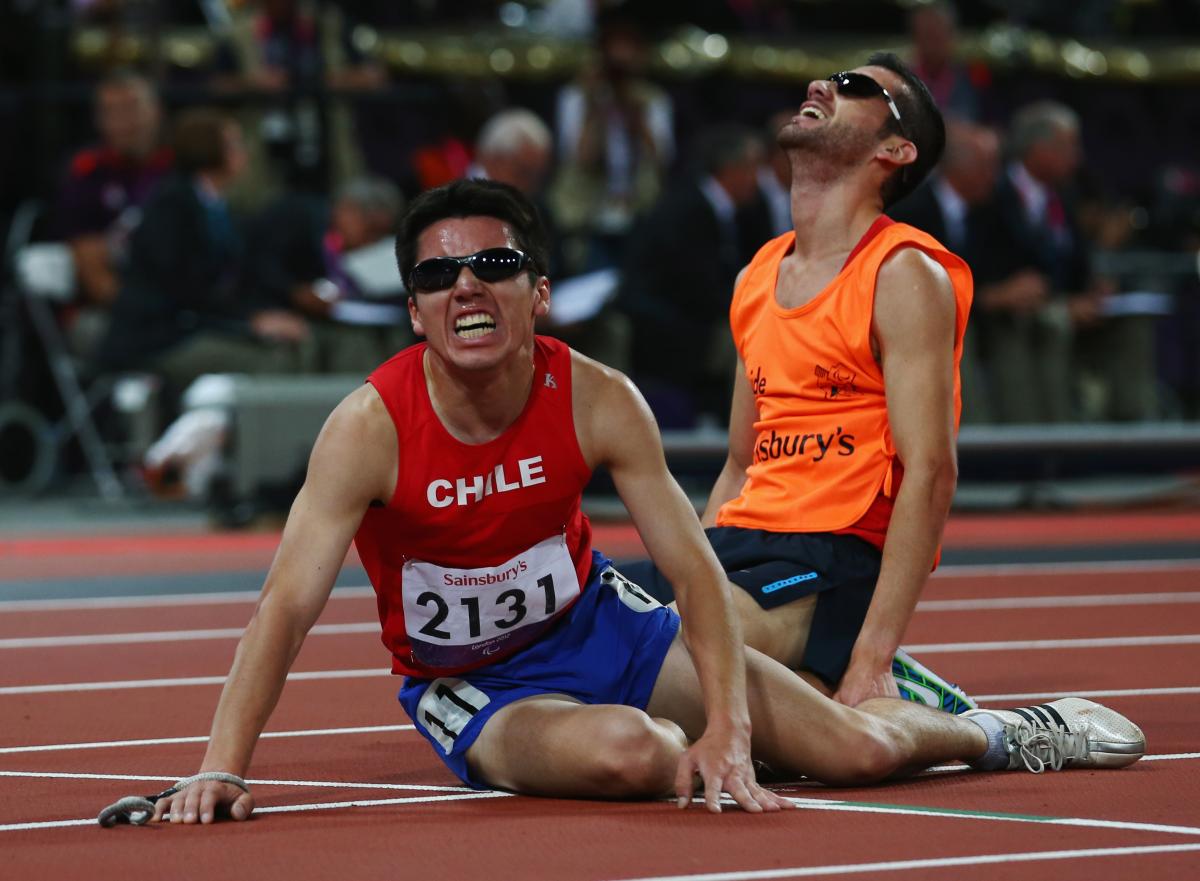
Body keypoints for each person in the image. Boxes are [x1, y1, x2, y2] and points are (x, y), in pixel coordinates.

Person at [125, 179, 1143, 827]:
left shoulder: (600, 397)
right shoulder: (369, 425)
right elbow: (286, 606)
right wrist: (220, 767)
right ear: (413, 308)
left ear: (539, 292)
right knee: (639, 753)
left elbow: (695, 570)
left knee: (854, 748)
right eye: (437, 274)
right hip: (481, 686)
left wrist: (734, 728)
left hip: (612, 626)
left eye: (493, 264)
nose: (465, 287)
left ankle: (1008, 729)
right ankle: (713, 737)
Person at [620, 54, 978, 712]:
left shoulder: (903, 272)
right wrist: (691, 569)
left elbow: (930, 470)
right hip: (744, 538)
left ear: (895, 149)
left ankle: (879, 682)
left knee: (664, 659)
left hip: (835, 550)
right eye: (828, 79)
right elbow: (738, 462)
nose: (822, 86)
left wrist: (870, 656)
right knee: (563, 625)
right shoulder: (755, 276)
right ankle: (812, 691)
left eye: (856, 88)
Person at [93, 108, 310, 406]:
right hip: (158, 337)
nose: (243, 153)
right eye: (234, 144)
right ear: (207, 150)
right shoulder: (173, 205)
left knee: (295, 346)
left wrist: (264, 314)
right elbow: (184, 287)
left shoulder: (215, 204)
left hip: (194, 324)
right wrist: (250, 321)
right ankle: (253, 451)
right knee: (270, 362)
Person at [54, 70, 171, 352]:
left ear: (155, 111)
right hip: (112, 313)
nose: (121, 122)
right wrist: (149, 312)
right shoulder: (88, 172)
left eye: (131, 109)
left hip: (179, 304)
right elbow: (93, 271)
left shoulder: (178, 168)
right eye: (110, 112)